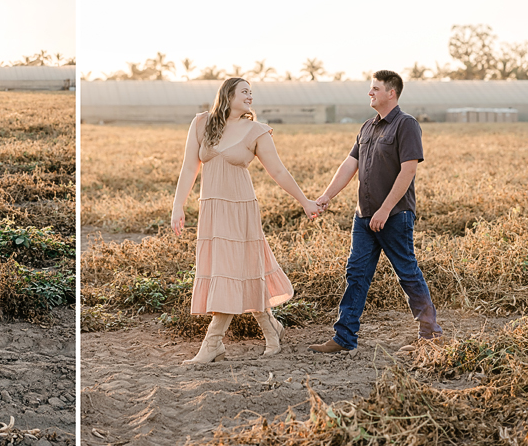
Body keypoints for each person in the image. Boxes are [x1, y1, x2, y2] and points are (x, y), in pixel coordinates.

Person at [172, 77, 320, 363]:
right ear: (227, 95)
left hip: (241, 209)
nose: (250, 96)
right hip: (212, 210)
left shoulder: (256, 131)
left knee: (232, 270)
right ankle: (272, 328)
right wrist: (178, 205)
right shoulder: (202, 123)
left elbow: (278, 171)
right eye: (244, 91)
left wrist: (305, 202)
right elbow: (189, 166)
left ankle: (212, 343)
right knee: (236, 270)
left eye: (252, 92)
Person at [310, 70, 443, 354]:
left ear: (391, 93)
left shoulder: (406, 125)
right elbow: (349, 165)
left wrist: (385, 210)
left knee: (407, 273)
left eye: (375, 89)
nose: (370, 93)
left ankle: (431, 335)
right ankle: (344, 338)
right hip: (364, 216)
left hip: (394, 216)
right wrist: (326, 195)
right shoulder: (367, 127)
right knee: (356, 274)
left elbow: (408, 170)